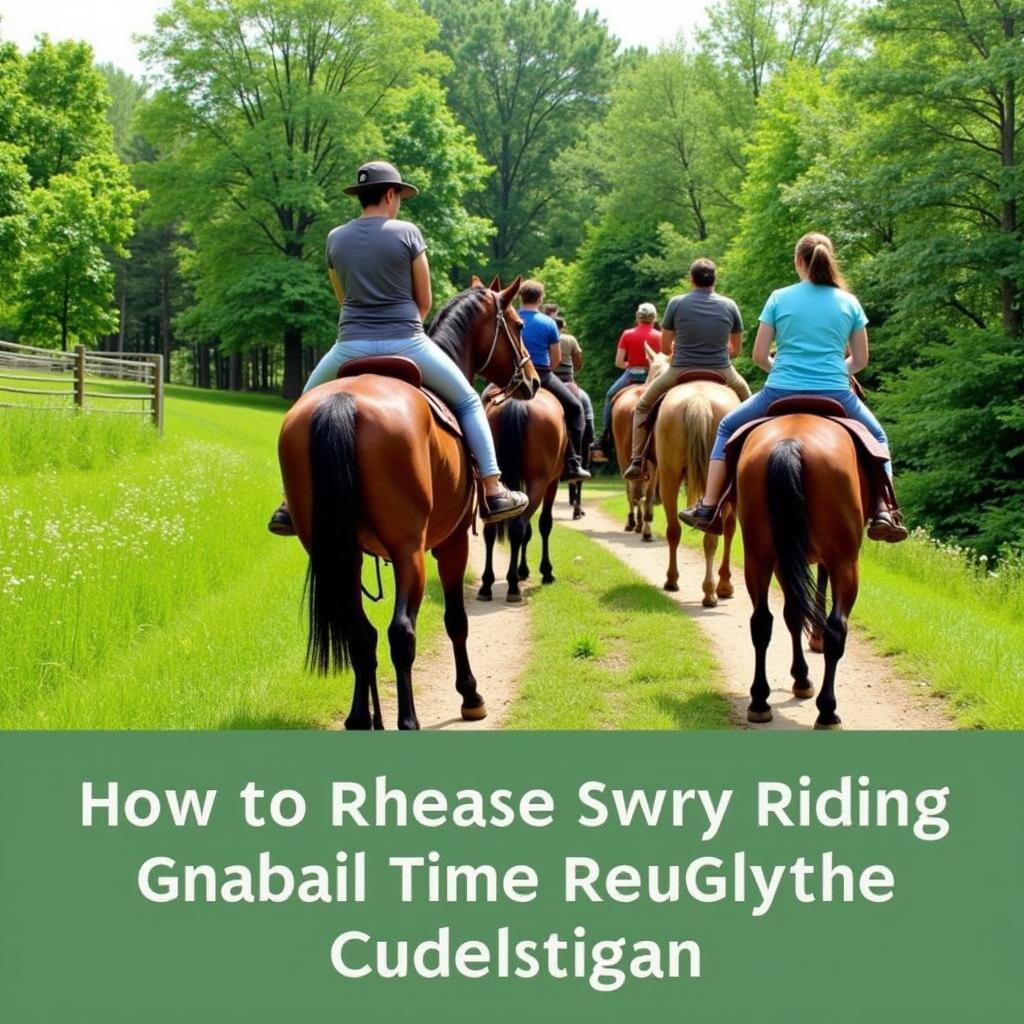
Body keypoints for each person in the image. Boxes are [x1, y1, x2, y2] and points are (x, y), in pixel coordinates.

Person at [268, 160, 528, 535]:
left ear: (362, 197)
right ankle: (493, 488)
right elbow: (424, 301)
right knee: (470, 401)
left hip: (348, 346)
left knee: (300, 414)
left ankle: (290, 501)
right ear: (391, 195)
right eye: (399, 197)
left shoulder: (335, 238)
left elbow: (342, 297)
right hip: (407, 342)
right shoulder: (408, 234)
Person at [678, 233, 908, 543]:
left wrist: (782, 369)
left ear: (799, 261)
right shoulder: (849, 302)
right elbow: (861, 361)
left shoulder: (779, 297)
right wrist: (835, 370)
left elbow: (759, 356)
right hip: (836, 393)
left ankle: (707, 507)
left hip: (781, 390)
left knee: (726, 427)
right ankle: (883, 511)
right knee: (878, 437)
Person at [622, 259, 750, 479]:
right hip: (722, 370)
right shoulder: (730, 306)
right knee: (750, 404)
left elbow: (663, 347)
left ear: (691, 279)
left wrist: (682, 348)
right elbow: (736, 349)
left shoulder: (676, 303)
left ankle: (637, 460)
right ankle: (750, 457)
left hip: (679, 370)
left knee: (642, 406)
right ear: (714, 279)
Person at [518, 280, 590, 482]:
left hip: (512, 375)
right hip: (542, 374)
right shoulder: (549, 323)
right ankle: (573, 462)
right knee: (575, 407)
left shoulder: (510, 318)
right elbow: (556, 359)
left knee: (482, 403)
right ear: (540, 299)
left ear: (520, 297)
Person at [593, 303, 660, 460]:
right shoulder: (660, 336)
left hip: (630, 375)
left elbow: (618, 362)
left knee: (610, 396)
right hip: (653, 376)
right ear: (654, 318)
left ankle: (605, 438)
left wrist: (631, 365)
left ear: (637, 317)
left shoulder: (627, 334)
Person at [553, 315, 595, 449]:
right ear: (563, 327)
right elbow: (578, 362)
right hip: (566, 379)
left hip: (545, 377)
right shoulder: (570, 339)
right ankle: (590, 437)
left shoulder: (544, 337)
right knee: (585, 403)